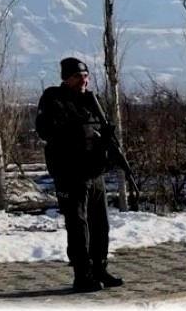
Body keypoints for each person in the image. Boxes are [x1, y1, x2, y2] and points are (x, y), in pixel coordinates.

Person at [35, 57, 124, 293]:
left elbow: (99, 130)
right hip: (70, 174)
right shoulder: (54, 99)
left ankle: (99, 268)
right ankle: (82, 274)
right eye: (77, 76)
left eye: (85, 76)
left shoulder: (91, 101)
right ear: (66, 78)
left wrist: (106, 140)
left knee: (100, 225)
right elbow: (47, 131)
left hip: (94, 173)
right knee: (77, 226)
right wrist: (82, 129)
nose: (83, 80)